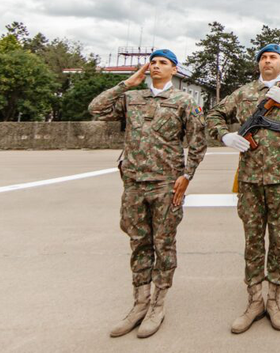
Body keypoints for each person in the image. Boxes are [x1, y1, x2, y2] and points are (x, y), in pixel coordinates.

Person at [89, 49, 207, 339]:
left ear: (174, 70)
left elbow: (198, 141)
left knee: (163, 243)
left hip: (166, 183)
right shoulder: (132, 99)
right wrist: (128, 82)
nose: (155, 67)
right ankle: (140, 301)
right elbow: (96, 108)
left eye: (162, 63)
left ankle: (158, 303)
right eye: (152, 63)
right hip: (133, 183)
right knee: (138, 242)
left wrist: (186, 175)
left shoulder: (184, 101)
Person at [206, 44, 280, 333]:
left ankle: (274, 301)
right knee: (254, 242)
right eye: (263, 57)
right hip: (249, 181)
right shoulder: (244, 93)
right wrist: (225, 136)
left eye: (273, 57)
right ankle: (254, 300)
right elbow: (213, 116)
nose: (267, 61)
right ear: (258, 63)